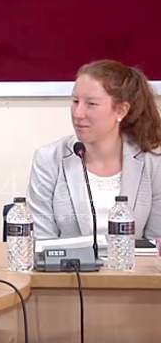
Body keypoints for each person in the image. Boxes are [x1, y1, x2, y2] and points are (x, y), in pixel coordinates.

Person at [27, 59, 161, 240]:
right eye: (75, 101)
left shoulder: (153, 162)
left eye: (91, 104)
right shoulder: (49, 159)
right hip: (68, 260)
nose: (78, 113)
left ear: (121, 111)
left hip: (131, 259)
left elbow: (157, 244)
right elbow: (42, 242)